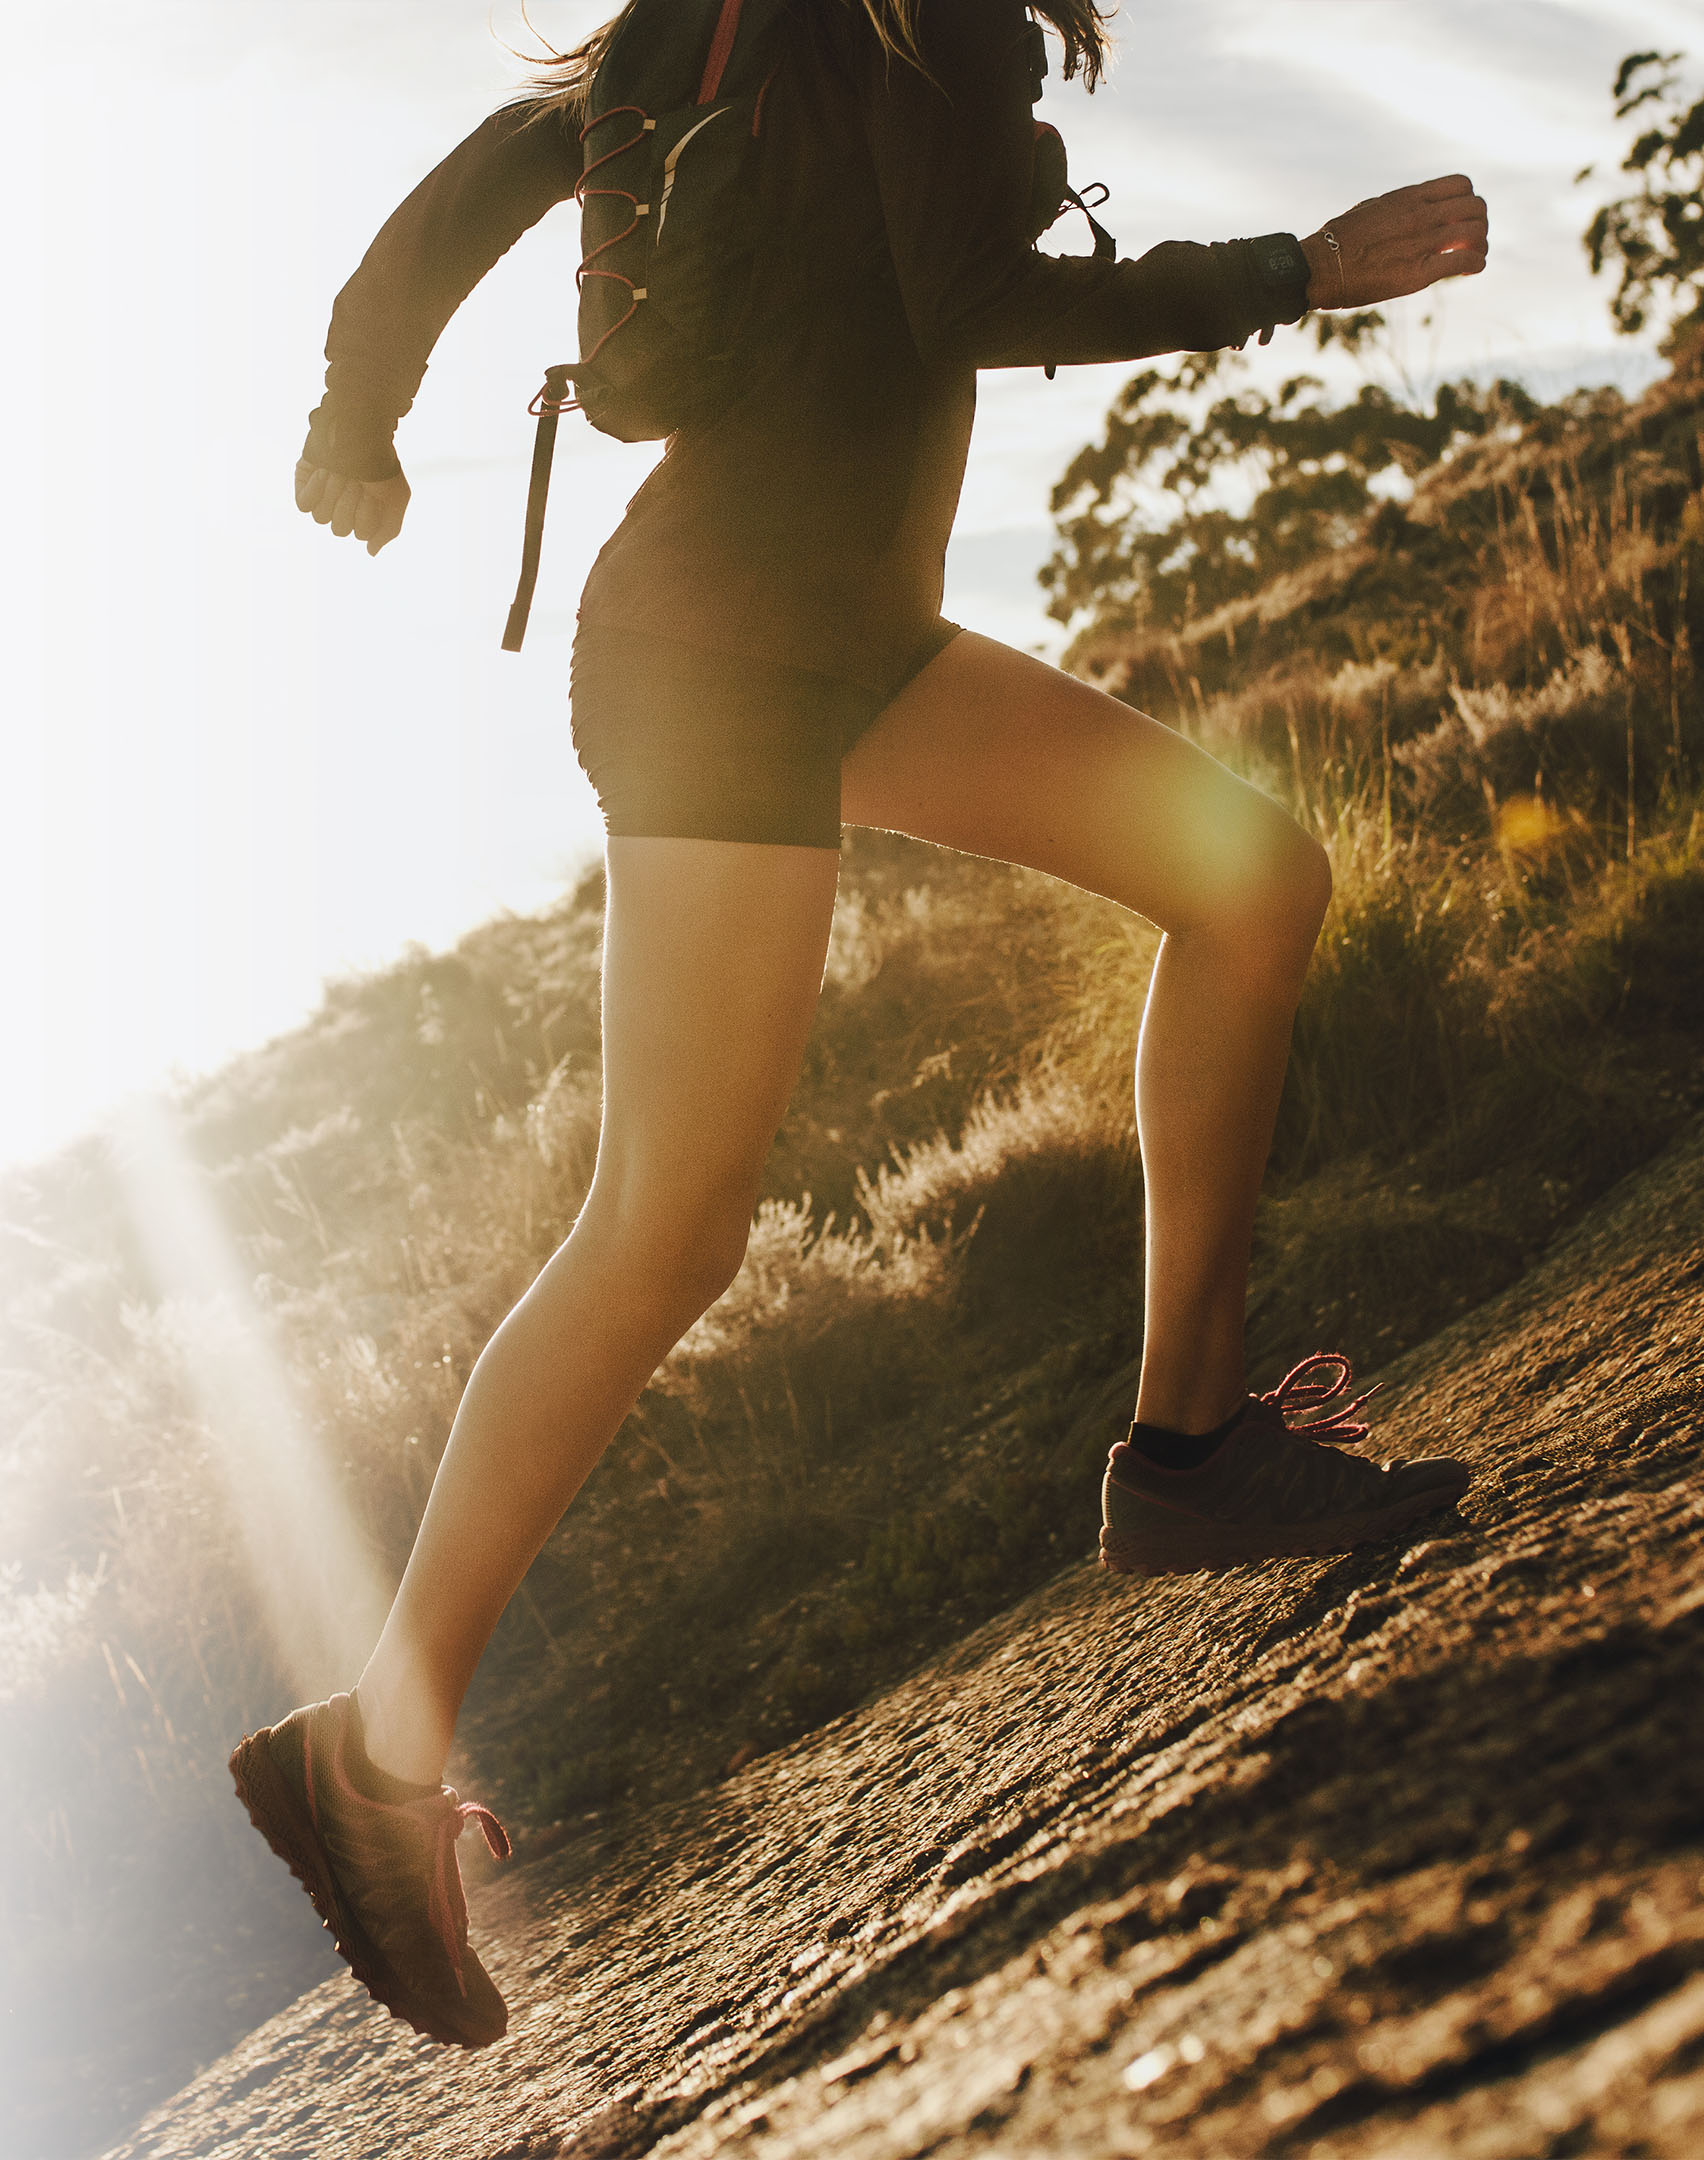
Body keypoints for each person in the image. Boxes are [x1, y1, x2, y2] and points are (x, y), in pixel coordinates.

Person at [229, 0, 1490, 2050]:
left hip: (825, 638)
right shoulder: (912, 19)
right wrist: (1299, 272)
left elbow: (469, 183)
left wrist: (354, 419)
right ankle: (368, 1753)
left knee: (1252, 881)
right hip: (735, 654)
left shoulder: (735, 27)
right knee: (664, 1227)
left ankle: (1184, 1455)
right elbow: (976, 293)